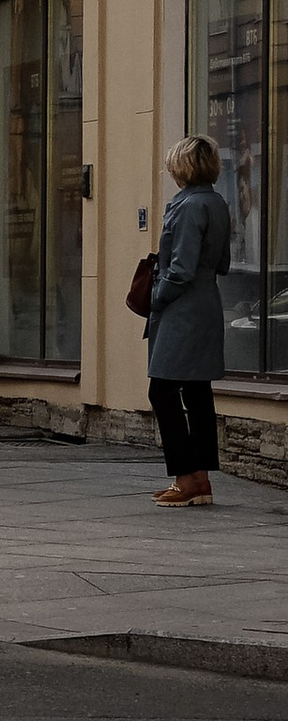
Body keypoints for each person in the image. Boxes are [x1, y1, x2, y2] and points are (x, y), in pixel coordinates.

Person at [145, 133, 232, 508]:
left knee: (162, 390)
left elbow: (179, 269)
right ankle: (201, 479)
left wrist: (156, 296)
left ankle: (185, 479)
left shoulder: (188, 206)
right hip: (206, 303)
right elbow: (223, 263)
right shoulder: (216, 203)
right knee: (196, 392)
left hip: (181, 309)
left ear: (182, 167)